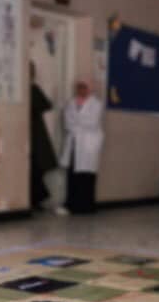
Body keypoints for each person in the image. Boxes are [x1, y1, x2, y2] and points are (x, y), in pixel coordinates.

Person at [60, 80, 104, 214]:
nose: (81, 90)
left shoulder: (96, 104)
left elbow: (93, 122)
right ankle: (71, 206)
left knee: (87, 176)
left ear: (89, 89)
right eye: (78, 88)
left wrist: (77, 123)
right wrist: (78, 124)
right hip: (74, 143)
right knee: (73, 175)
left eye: (84, 88)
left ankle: (87, 207)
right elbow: (67, 123)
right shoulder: (71, 103)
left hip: (88, 145)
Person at [30, 62, 59, 210]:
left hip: (36, 134)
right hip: (30, 134)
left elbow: (47, 105)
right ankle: (35, 199)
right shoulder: (29, 89)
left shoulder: (34, 89)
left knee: (37, 167)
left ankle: (36, 200)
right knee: (32, 168)